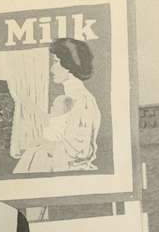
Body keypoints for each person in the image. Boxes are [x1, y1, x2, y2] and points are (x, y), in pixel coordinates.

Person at [14, 37, 101, 173]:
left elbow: (78, 149)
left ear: (69, 64)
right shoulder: (71, 96)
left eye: (56, 62)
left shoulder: (81, 99)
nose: (52, 69)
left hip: (66, 169)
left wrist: (41, 145)